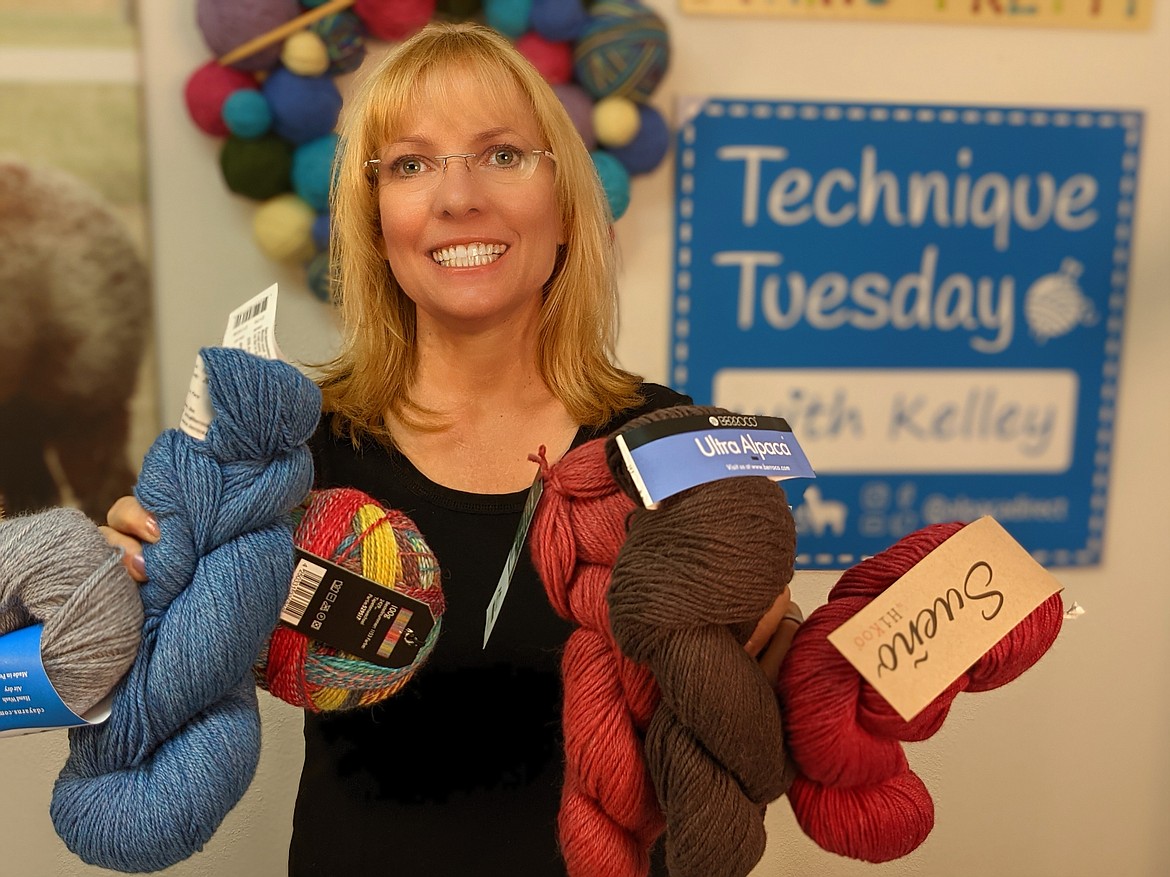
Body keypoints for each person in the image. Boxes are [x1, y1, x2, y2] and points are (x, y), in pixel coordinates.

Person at [104, 22, 800, 876]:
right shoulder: (293, 446)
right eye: (410, 163)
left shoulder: (666, 444)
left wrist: (791, 650)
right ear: (377, 223)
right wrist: (138, 592)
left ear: (566, 207)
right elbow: (177, 686)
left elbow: (748, 717)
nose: (457, 196)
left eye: (502, 155)